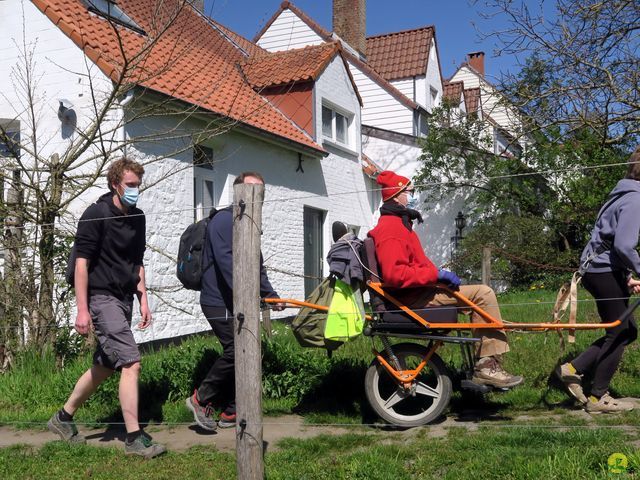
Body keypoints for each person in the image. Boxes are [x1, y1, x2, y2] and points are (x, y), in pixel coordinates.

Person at [47, 158, 165, 458]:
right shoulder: (95, 214)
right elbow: (81, 266)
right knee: (131, 362)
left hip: (123, 299)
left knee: (105, 366)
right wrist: (82, 310)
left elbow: (137, 263)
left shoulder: (137, 218)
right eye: (130, 185)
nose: (136, 190)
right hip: (101, 299)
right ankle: (134, 438)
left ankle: (63, 417)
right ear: (115, 183)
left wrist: (144, 300)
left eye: (138, 184)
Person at [367, 170, 523, 389]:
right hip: (413, 299)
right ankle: (487, 367)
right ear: (396, 194)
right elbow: (396, 275)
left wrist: (438, 276)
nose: (412, 195)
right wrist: (436, 275)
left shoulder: (400, 225)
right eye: (410, 191)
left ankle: (485, 363)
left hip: (420, 292)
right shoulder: (392, 229)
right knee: (483, 294)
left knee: (479, 295)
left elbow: (415, 266)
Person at [186, 171, 283, 431]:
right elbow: (229, 266)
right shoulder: (223, 222)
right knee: (237, 350)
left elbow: (256, 267)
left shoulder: (249, 224)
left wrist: (270, 295)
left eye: (261, 191)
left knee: (247, 349)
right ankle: (201, 398)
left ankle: (231, 411)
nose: (257, 196)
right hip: (219, 301)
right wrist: (252, 296)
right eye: (252, 190)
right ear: (238, 192)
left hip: (238, 301)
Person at [556, 147, 640, 413]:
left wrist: (627, 276)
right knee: (622, 331)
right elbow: (625, 246)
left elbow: (610, 241)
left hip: (598, 269)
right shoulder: (636, 199)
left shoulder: (622, 195)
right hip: (603, 271)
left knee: (622, 330)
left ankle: (573, 369)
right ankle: (597, 397)